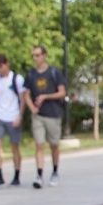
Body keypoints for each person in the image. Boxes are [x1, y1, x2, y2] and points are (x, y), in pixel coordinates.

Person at [25, 45, 66, 189]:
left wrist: (46, 96)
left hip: (53, 114)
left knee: (54, 145)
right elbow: (26, 94)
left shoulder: (54, 73)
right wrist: (32, 108)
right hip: (38, 115)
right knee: (39, 144)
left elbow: (62, 93)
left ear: (44, 56)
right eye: (33, 55)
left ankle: (55, 171)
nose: (35, 58)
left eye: (37, 55)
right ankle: (39, 175)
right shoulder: (30, 74)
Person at [0, 54, 26, 188]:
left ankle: (16, 176)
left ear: (7, 64)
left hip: (13, 116)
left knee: (14, 146)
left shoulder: (17, 79)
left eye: (1, 66)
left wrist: (20, 115)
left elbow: (23, 99)